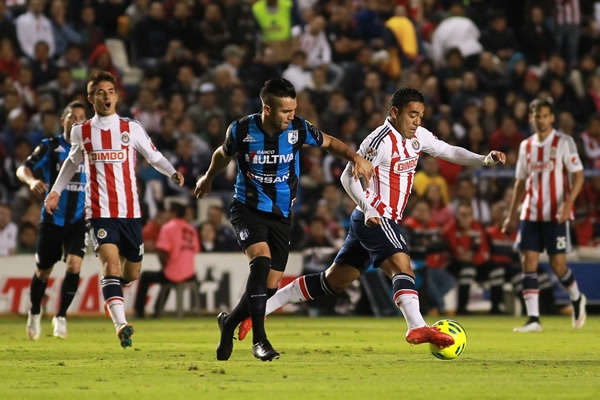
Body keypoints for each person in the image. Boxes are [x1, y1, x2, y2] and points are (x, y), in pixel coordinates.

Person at [235, 87, 506, 349]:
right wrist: (369, 207)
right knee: (402, 266)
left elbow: (449, 151)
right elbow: (346, 177)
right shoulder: (379, 141)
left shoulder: (418, 137)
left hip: (372, 219)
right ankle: (416, 325)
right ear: (395, 112)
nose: (417, 121)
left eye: (420, 115)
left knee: (334, 281)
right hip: (375, 217)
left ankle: (262, 308)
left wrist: (484, 160)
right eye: (412, 114)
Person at [193, 77, 373, 362]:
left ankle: (229, 323)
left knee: (269, 285)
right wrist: (207, 177)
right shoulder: (241, 130)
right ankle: (260, 340)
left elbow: (329, 142)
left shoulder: (298, 129)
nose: (292, 116)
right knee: (261, 263)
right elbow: (222, 154)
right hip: (247, 208)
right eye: (285, 111)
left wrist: (354, 157)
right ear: (267, 109)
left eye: (293, 110)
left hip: (281, 215)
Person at [44, 71, 184, 348]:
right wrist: (55, 191)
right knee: (109, 264)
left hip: (130, 213)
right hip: (98, 212)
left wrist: (171, 172)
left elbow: (152, 155)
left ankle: (114, 292)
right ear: (91, 98)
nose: (106, 96)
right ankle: (121, 325)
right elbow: (71, 163)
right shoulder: (81, 132)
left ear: (117, 96)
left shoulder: (130, 128)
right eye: (100, 92)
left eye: (110, 91)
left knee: (131, 274)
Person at [502, 97, 587, 332]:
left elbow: (578, 175)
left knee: (558, 265)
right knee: (527, 261)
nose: (541, 120)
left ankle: (577, 297)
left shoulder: (563, 142)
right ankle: (533, 319)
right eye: (537, 116)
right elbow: (520, 182)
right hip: (530, 212)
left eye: (545, 116)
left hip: (556, 214)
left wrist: (569, 203)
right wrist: (511, 215)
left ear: (552, 118)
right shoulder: (526, 146)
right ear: (531, 118)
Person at [16, 100, 87, 340]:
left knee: (75, 265)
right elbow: (23, 168)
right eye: (72, 117)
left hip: (80, 220)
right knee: (43, 271)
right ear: (63, 121)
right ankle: (35, 311)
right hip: (52, 218)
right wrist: (32, 181)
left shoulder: (91, 150)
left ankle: (61, 316)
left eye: (81, 118)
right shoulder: (50, 146)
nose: (77, 121)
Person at [133, 201, 199, 318]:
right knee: (167, 275)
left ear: (173, 213)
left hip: (173, 273)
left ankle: (139, 311)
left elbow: (161, 251)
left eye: (168, 211)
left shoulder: (167, 228)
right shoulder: (191, 229)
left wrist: (166, 265)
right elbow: (196, 250)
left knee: (148, 276)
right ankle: (157, 310)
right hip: (190, 273)